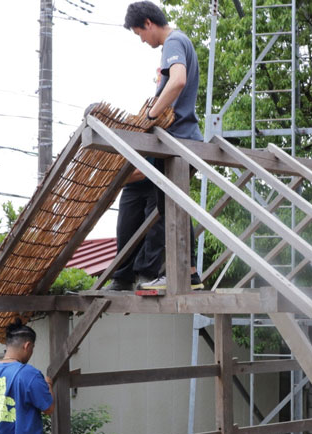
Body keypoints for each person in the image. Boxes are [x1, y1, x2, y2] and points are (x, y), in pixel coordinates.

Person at [106, 1, 203, 293]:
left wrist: (150, 116)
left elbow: (178, 81)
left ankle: (185, 274)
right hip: (182, 142)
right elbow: (171, 81)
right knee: (172, 206)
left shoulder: (173, 41)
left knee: (170, 208)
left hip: (177, 141)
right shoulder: (180, 42)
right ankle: (191, 275)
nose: (142, 40)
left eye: (140, 34)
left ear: (148, 23)